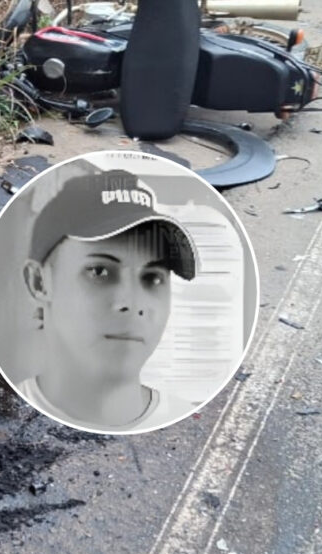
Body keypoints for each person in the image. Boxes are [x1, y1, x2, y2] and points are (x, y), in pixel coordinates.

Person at [16, 169, 199, 432]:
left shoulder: (188, 427)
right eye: (100, 271)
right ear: (39, 282)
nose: (133, 303)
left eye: (153, 277)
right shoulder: (6, 420)